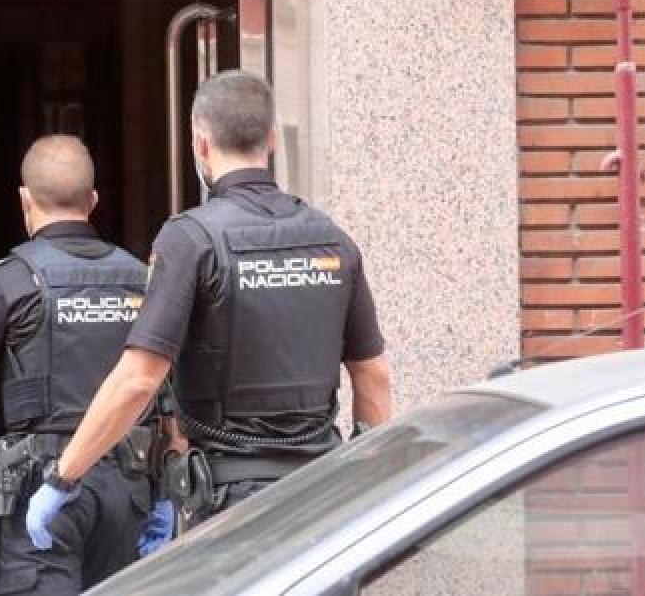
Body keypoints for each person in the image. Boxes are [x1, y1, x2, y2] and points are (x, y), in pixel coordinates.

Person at [24, 70, 393, 546]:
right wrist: (372, 484)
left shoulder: (192, 238)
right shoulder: (332, 238)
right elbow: (374, 375)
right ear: (272, 139)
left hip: (232, 504)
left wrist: (63, 477)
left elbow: (139, 379)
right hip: (322, 492)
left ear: (200, 143)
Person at [0, 134, 164, 596]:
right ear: (93, 200)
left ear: (24, 199)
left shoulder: (9, 280)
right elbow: (167, 387)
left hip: (43, 488)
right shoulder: (141, 278)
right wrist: (167, 488)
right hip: (127, 485)